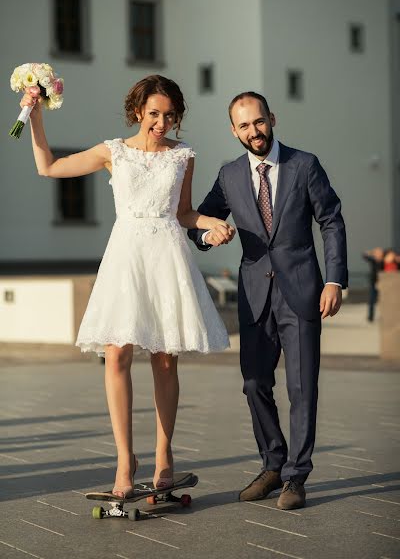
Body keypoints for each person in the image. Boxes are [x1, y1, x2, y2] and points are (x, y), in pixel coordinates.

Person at [21, 74, 231, 498]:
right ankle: (124, 460)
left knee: (165, 359)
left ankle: (165, 452)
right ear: (138, 111)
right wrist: (36, 117)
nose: (161, 122)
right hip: (126, 258)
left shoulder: (183, 157)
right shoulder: (112, 152)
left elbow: (185, 212)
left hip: (167, 257)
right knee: (116, 354)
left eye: (169, 115)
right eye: (154, 113)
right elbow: (49, 167)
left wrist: (213, 223)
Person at [188, 91, 348, 510]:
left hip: (303, 293)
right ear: (234, 130)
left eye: (258, 122)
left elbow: (330, 219)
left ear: (271, 119)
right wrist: (209, 233)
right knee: (254, 383)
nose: (253, 132)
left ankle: (296, 476)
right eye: (244, 125)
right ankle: (273, 462)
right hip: (254, 295)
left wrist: (335, 280)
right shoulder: (229, 176)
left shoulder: (304, 165)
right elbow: (197, 220)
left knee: (302, 389)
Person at [362, 247, 384, 322]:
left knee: (383, 301)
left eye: (380, 253)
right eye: (377, 253)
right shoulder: (373, 260)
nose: (379, 254)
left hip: (383, 283)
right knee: (371, 300)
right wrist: (372, 252)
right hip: (373, 283)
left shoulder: (384, 261)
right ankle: (370, 317)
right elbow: (364, 255)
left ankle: (384, 316)